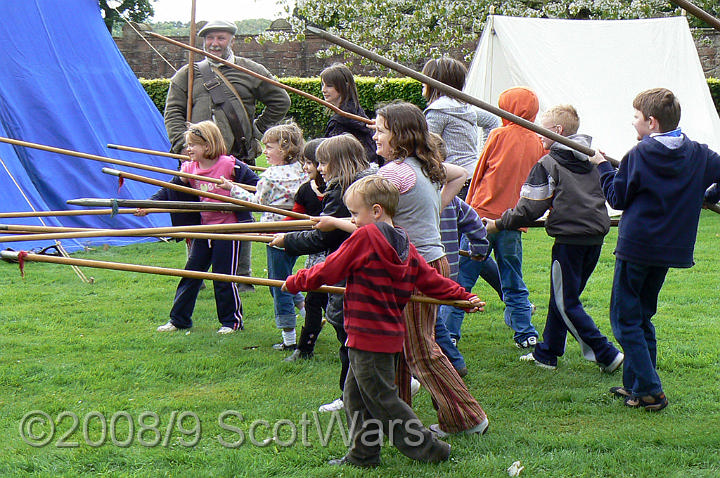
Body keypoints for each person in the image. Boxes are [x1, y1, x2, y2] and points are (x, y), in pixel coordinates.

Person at [282, 175, 485, 467]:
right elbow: (429, 279)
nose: (352, 220)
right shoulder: (403, 240)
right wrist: (461, 296)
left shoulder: (365, 237)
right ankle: (363, 455)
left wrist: (295, 281)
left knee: (384, 402)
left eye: (354, 213)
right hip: (384, 335)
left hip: (368, 336)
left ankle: (432, 450)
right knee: (355, 398)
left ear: (376, 211)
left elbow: (330, 268)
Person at [590, 88, 720, 411]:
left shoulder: (639, 155)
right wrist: (711, 194)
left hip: (637, 248)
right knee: (642, 315)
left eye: (636, 117)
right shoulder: (699, 154)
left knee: (624, 319)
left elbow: (616, 198)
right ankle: (636, 385)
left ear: (651, 122)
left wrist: (603, 167)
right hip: (668, 250)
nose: (632, 122)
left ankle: (650, 390)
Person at [374, 101, 489, 436]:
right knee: (400, 344)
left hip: (413, 265)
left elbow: (369, 221)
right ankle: (398, 418)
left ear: (398, 135)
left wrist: (332, 221)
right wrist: (433, 209)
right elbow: (457, 174)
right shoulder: (424, 165)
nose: (376, 137)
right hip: (431, 259)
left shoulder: (393, 173)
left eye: (381, 130)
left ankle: (467, 418)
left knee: (419, 348)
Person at [485, 104, 623, 372]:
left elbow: (529, 209)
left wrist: (499, 224)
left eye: (542, 128)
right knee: (561, 298)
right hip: (593, 239)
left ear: (557, 131)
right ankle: (547, 353)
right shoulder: (595, 160)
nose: (537, 133)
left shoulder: (549, 163)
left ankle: (606, 354)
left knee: (566, 302)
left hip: (569, 241)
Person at [165, 19, 291, 284]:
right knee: (195, 215)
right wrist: (183, 146)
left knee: (239, 215)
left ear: (231, 40)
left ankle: (240, 277)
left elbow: (281, 100)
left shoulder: (249, 70)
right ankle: (195, 275)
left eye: (221, 38)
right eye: (210, 38)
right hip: (196, 162)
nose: (214, 44)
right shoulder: (187, 74)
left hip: (237, 159)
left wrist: (257, 130)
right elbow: (173, 112)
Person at [270, 134, 377, 411]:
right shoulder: (366, 180)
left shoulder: (344, 189)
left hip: (351, 267)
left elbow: (325, 239)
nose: (321, 169)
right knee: (354, 334)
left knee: (347, 333)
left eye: (324, 163)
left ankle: (351, 396)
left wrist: (288, 241)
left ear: (338, 162)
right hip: (362, 265)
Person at [466, 86, 545, 349]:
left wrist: (467, 210)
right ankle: (525, 333)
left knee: (463, 277)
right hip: (513, 220)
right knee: (513, 277)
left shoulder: (498, 134)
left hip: (484, 217)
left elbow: (479, 172)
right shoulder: (538, 140)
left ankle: (449, 334)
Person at [221, 123, 307, 351]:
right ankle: (310, 313)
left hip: (276, 236)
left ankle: (290, 339)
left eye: (269, 147)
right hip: (300, 233)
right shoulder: (303, 170)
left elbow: (257, 203)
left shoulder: (270, 175)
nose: (265, 152)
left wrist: (232, 189)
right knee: (288, 277)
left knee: (278, 285)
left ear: (286, 148)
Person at [154, 121, 245, 334]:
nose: (188, 149)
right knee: (191, 274)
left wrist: (235, 193)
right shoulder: (189, 168)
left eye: (192, 145)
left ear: (207, 145)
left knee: (224, 278)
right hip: (204, 229)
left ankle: (231, 322)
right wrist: (147, 206)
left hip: (228, 230)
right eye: (187, 145)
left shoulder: (229, 165)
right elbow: (169, 191)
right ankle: (179, 319)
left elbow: (257, 185)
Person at [422, 57, 500, 199]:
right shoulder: (464, 107)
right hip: (471, 174)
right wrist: (481, 155)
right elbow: (492, 120)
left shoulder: (438, 111)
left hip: (452, 179)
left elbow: (427, 145)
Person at [283, 138, 328, 362]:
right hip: (316, 255)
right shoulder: (305, 190)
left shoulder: (339, 190)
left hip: (336, 254)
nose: (306, 167)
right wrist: (279, 233)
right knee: (312, 302)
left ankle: (350, 343)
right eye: (305, 162)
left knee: (335, 305)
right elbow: (294, 218)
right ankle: (304, 349)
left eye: (310, 162)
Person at [320, 63, 383, 165]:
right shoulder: (357, 112)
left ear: (344, 87)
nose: (323, 90)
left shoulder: (340, 121)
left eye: (329, 86)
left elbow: (332, 158)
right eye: (323, 85)